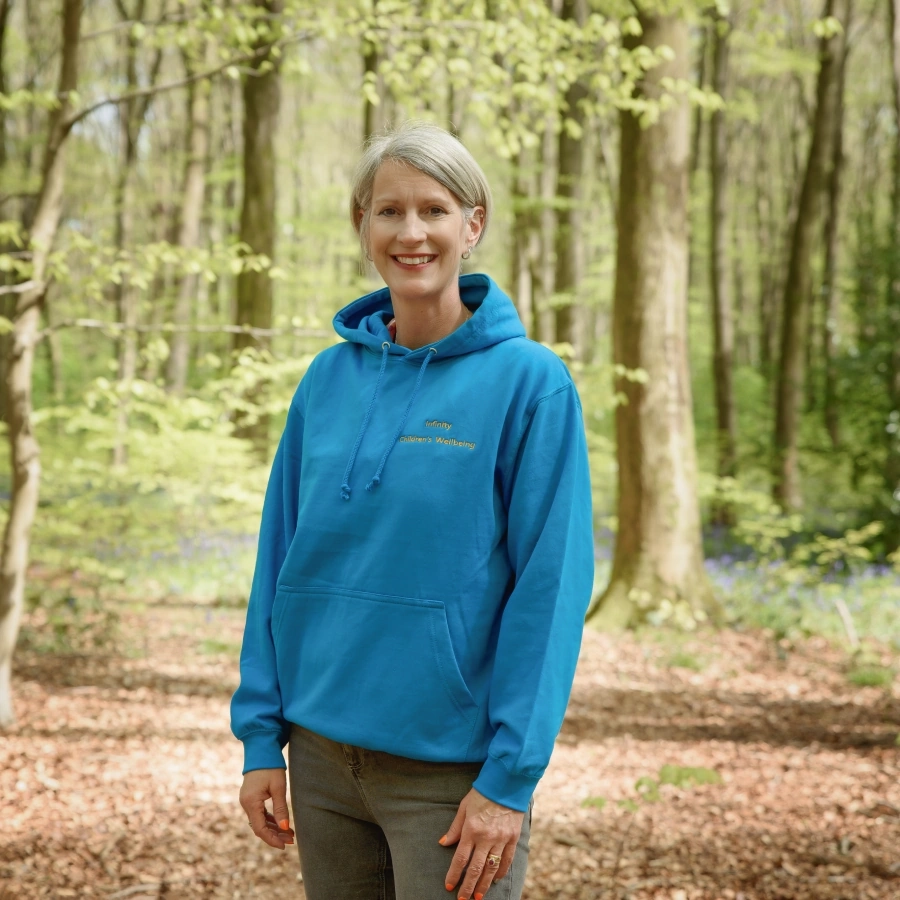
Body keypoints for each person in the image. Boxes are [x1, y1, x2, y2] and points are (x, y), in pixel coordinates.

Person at [230, 121, 594, 900]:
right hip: (321, 763)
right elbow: (278, 563)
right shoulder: (326, 382)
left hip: (452, 777)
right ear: (362, 226)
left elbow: (550, 590)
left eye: (434, 209)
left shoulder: (531, 384)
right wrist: (262, 737)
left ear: (474, 224)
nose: (411, 231)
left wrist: (510, 779)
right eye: (387, 211)